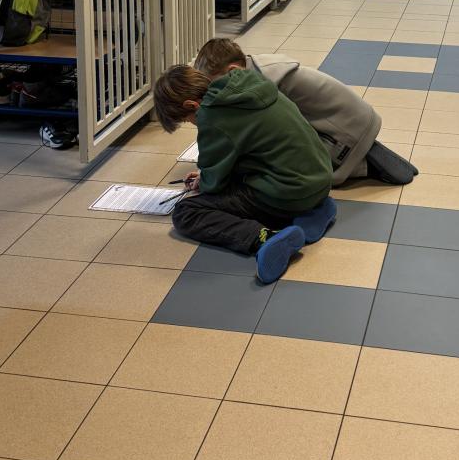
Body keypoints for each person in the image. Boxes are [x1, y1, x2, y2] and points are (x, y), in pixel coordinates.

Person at [152, 64, 336, 284]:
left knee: (186, 212)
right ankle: (313, 211)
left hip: (290, 193)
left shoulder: (212, 115)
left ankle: (266, 238)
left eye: (187, 119)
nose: (192, 123)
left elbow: (214, 183)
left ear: (192, 105)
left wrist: (205, 180)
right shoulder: (249, 84)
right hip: (319, 179)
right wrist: (209, 174)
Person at [193, 37, 418, 186]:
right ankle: (366, 154)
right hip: (356, 120)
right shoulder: (258, 66)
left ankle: (363, 165)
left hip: (345, 135)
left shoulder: (263, 85)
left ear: (232, 70)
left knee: (284, 168)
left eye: (214, 84)